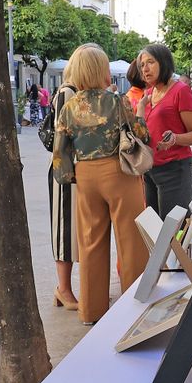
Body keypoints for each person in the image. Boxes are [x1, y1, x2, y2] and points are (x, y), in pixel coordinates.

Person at [54, 43, 151, 324]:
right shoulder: (115, 101)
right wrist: (142, 112)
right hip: (117, 173)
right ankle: (133, 309)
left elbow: (60, 153)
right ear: (100, 70)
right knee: (130, 242)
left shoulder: (69, 107)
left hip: (85, 176)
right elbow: (140, 133)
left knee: (91, 243)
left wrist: (72, 177)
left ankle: (91, 311)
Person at [134, 42, 192, 215]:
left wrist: (176, 138)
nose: (145, 69)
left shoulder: (181, 90)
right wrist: (140, 108)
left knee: (171, 232)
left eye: (150, 62)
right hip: (150, 170)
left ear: (164, 62)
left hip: (174, 169)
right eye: (142, 65)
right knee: (154, 229)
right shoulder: (148, 94)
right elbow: (141, 134)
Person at [48, 77, 78, 309]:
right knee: (64, 229)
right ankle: (63, 289)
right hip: (65, 170)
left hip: (76, 170)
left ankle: (66, 289)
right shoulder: (68, 92)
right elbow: (61, 138)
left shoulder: (80, 92)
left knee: (73, 229)